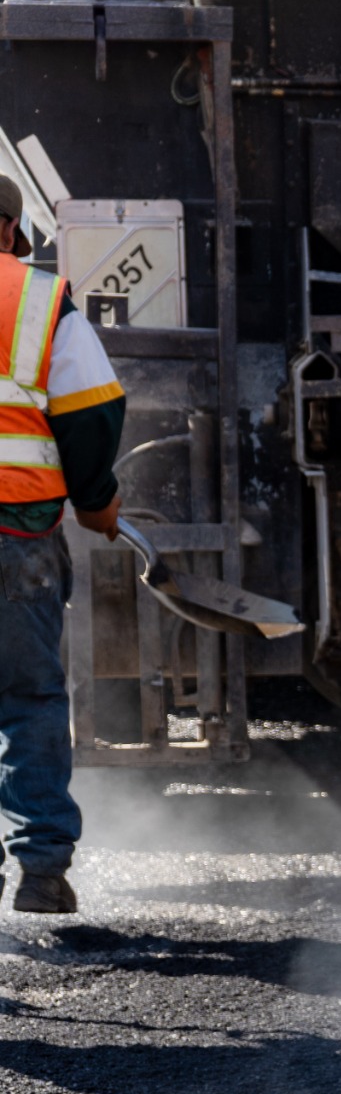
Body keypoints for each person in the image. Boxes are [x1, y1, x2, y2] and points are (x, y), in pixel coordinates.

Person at [0, 176, 124, 914]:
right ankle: (42, 873)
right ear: (12, 230)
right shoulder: (44, 303)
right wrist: (97, 501)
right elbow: (91, 411)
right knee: (30, 697)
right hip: (19, 539)